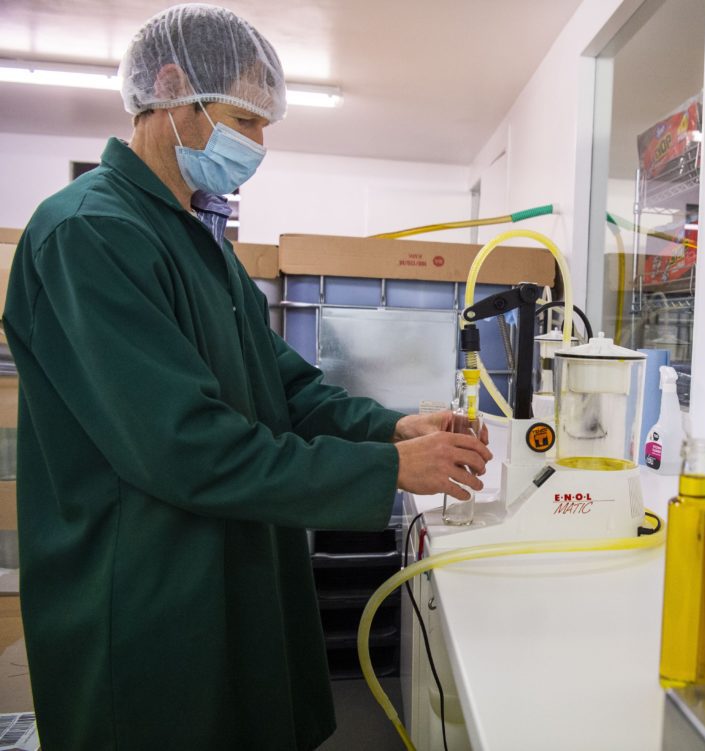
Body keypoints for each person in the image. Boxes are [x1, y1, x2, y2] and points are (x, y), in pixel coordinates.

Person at [1, 5, 491, 749]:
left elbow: (283, 383)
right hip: (143, 594)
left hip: (224, 574)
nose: (258, 145)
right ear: (170, 91)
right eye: (245, 120)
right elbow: (185, 444)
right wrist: (389, 468)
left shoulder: (199, 242)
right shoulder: (88, 233)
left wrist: (391, 426)